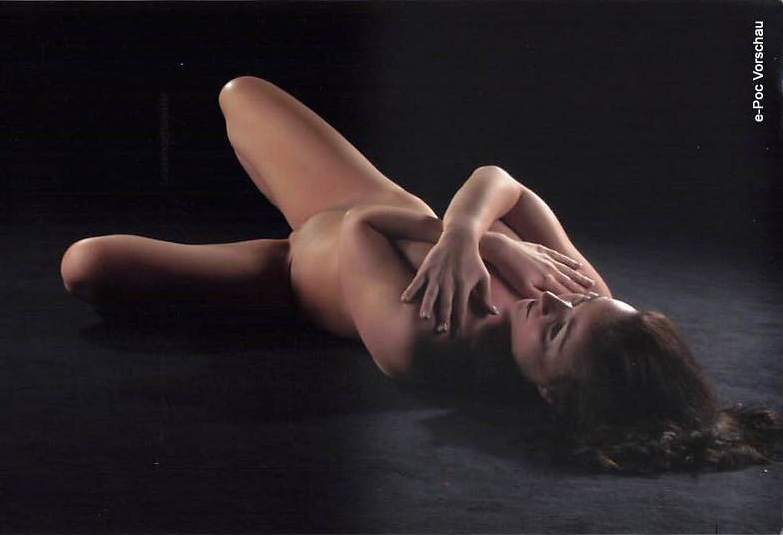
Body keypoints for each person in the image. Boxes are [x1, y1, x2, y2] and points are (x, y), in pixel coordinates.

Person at [60, 76, 781, 473]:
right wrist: (469, 233)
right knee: (238, 91)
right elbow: (503, 182)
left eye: (557, 331)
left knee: (85, 265)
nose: (555, 302)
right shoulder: (578, 291)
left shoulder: (428, 343)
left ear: (550, 390)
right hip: (361, 195)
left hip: (295, 271)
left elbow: (358, 234)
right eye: (585, 303)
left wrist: (484, 243)